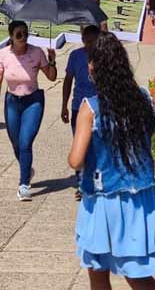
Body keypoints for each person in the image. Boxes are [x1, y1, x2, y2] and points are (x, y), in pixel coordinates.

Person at [68, 32, 155, 288]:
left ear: (94, 67)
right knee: (136, 273)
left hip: (102, 200)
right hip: (140, 199)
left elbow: (75, 160)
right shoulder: (144, 99)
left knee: (97, 270)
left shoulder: (90, 108)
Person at [0, 20, 57, 201]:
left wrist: (52, 61)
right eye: (19, 34)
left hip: (33, 101)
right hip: (12, 101)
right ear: (11, 36)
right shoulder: (3, 54)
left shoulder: (36, 52)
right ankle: (27, 168)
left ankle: (24, 185)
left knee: (25, 142)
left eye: (25, 33)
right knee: (16, 143)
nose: (23, 37)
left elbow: (52, 77)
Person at [61, 25, 101, 200]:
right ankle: (82, 183)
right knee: (81, 145)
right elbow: (68, 80)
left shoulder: (103, 57)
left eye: (94, 39)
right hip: (79, 107)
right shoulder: (75, 56)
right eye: (87, 39)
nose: (90, 43)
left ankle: (94, 180)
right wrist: (64, 105)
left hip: (99, 108)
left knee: (97, 146)